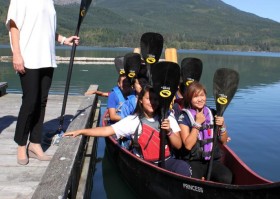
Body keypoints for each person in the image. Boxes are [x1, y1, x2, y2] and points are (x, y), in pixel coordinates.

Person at [6, 0, 80, 165]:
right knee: (30, 101)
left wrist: (63, 40)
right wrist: (16, 54)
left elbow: (46, 29)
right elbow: (13, 26)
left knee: (41, 102)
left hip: (47, 57)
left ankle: (35, 144)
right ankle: (21, 144)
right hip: (28, 58)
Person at [64, 85, 192, 177]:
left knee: (183, 168)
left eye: (155, 99)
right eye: (149, 99)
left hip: (167, 161)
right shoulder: (133, 121)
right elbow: (107, 130)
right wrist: (81, 131)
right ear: (141, 100)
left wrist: (169, 131)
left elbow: (178, 145)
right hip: (144, 164)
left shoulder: (167, 117)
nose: (152, 102)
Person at [177, 81, 232, 183]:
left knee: (226, 177)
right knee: (194, 182)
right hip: (193, 161)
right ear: (189, 99)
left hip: (212, 160)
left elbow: (223, 141)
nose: (200, 99)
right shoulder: (184, 117)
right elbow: (188, 145)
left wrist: (222, 126)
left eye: (202, 95)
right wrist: (197, 124)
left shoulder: (213, 114)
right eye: (196, 97)